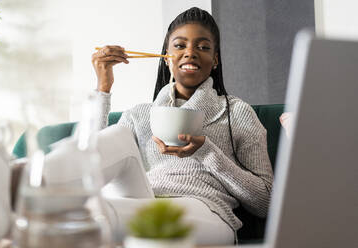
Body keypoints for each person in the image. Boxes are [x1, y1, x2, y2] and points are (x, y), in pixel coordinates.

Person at [87, 7, 273, 245]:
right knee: (114, 146)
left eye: (203, 47)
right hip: (142, 197)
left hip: (207, 210)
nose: (190, 53)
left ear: (215, 60)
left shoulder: (237, 113)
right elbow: (93, 164)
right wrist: (103, 87)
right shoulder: (139, 115)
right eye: (180, 46)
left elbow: (265, 202)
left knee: (93, 215)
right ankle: (47, 189)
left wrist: (205, 150)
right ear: (166, 57)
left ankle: (67, 212)